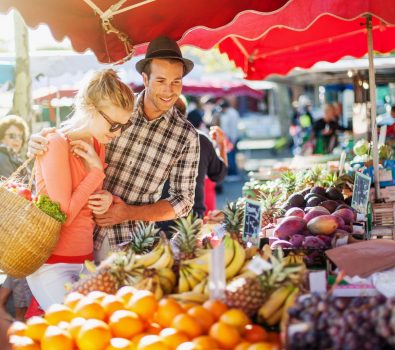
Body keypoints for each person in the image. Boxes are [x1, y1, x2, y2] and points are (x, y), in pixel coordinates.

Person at [28, 36, 200, 263]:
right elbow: (71, 135)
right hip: (81, 235)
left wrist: (127, 212)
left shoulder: (186, 136)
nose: (169, 91)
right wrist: (41, 140)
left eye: (176, 82)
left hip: (133, 244)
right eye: (161, 81)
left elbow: (183, 201)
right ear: (145, 79)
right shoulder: (116, 107)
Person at [26, 69, 134, 310]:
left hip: (85, 260)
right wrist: (96, 172)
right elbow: (63, 215)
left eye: (122, 127)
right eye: (114, 125)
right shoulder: (55, 143)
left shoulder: (97, 142)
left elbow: (85, 199)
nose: (117, 134)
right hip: (52, 265)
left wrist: (107, 198)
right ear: (91, 109)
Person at [0, 115, 33, 321]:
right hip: (12, 224)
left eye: (20, 136)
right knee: (21, 267)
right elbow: (10, 192)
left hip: (16, 222)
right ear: (2, 136)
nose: (16, 140)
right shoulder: (3, 156)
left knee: (17, 268)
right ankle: (20, 319)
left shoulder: (15, 157)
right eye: (11, 135)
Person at [219, 99, 240, 177]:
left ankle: (233, 173)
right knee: (229, 155)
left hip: (231, 138)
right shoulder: (228, 113)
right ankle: (231, 172)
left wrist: (233, 140)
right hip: (228, 137)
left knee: (231, 156)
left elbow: (233, 128)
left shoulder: (232, 114)